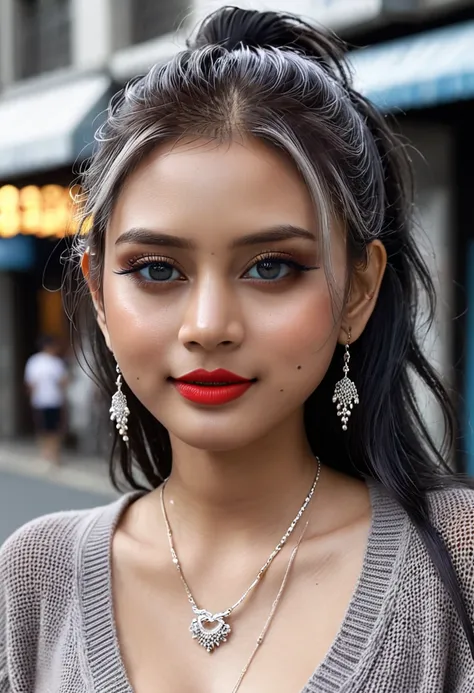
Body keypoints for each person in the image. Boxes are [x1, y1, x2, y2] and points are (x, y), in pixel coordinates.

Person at [1, 6, 474, 691]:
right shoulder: (33, 581)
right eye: (158, 269)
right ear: (100, 296)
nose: (209, 324)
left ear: (357, 290)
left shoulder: (456, 564)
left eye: (272, 266)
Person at [24, 335, 68, 466]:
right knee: (44, 428)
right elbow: (31, 383)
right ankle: (46, 453)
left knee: (54, 428)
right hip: (42, 400)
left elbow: (63, 381)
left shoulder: (55, 362)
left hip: (54, 400)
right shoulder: (36, 361)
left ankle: (53, 454)